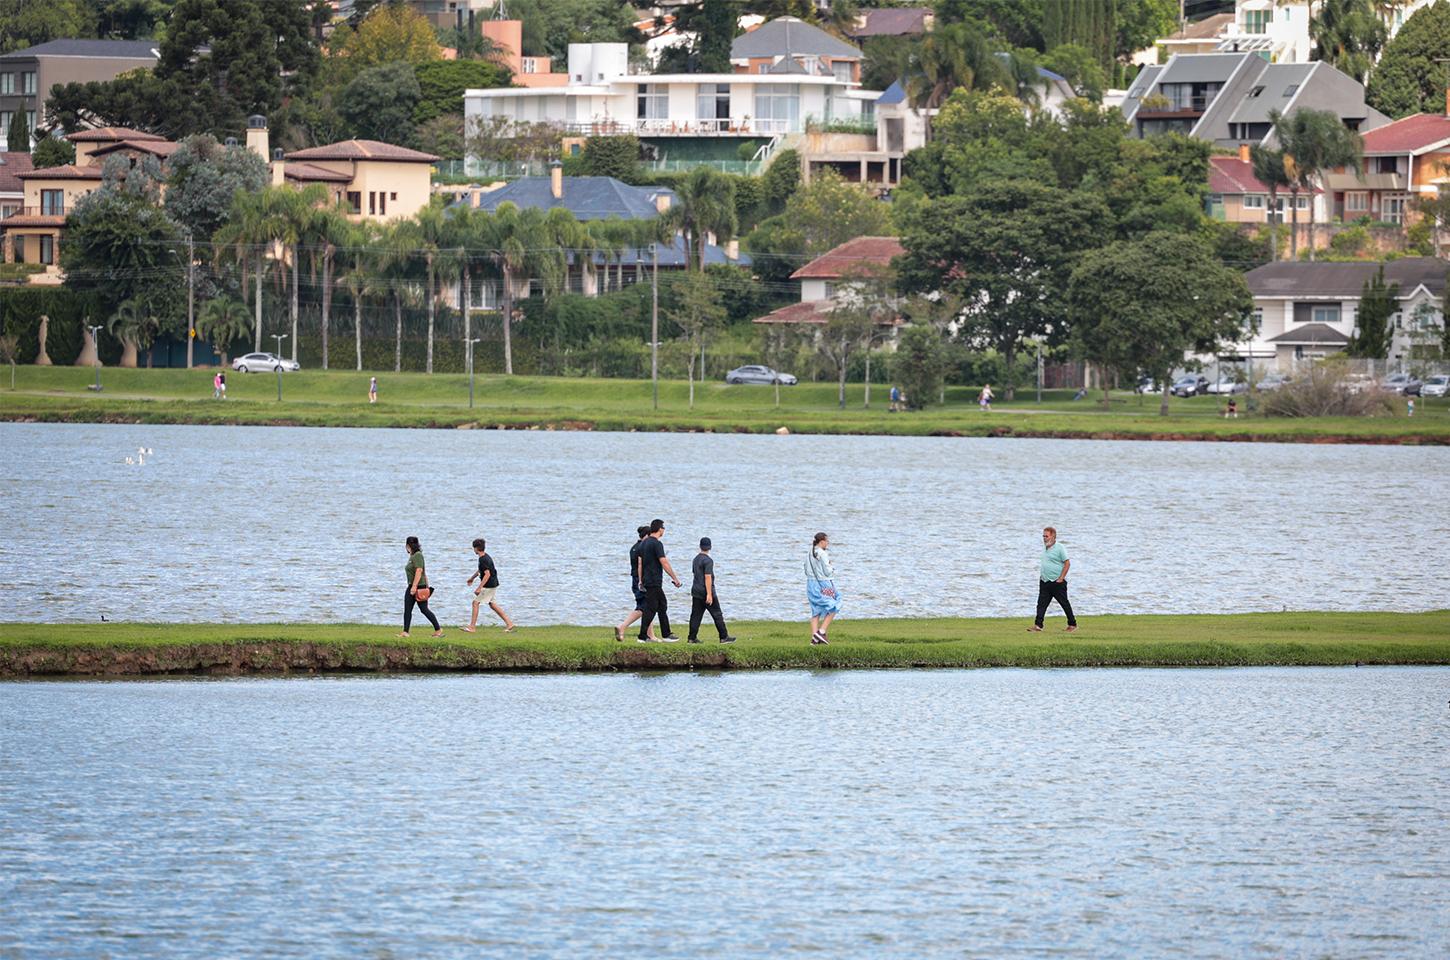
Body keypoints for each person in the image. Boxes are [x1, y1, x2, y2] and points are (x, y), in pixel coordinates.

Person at [637, 518, 681, 643]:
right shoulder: (657, 544)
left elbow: (640, 564)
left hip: (647, 580)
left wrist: (640, 580)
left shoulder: (643, 544)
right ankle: (645, 636)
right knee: (652, 608)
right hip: (654, 580)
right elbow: (664, 562)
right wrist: (674, 578)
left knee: (660, 606)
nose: (664, 530)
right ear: (660, 529)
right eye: (663, 528)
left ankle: (664, 634)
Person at [1029, 526, 1077, 633]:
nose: (1044, 538)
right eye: (1043, 536)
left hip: (1057, 582)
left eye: (1046, 536)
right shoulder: (1045, 548)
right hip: (1044, 581)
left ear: (1053, 536)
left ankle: (1072, 624)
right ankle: (1038, 625)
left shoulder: (1060, 548)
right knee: (1041, 604)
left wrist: (1061, 578)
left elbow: (1067, 563)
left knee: (1064, 603)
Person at [688, 537, 735, 644]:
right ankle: (724, 637)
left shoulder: (695, 559)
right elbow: (708, 577)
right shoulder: (708, 560)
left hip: (696, 590)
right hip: (706, 591)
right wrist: (709, 594)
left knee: (695, 615)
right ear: (710, 547)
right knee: (717, 614)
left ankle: (692, 638)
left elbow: (695, 574)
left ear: (700, 546)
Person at [464, 537, 515, 633]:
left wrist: (479, 588)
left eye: (473, 548)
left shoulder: (483, 559)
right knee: (492, 604)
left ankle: (472, 627)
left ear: (476, 548)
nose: (473, 550)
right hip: (493, 583)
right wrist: (472, 578)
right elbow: (481, 570)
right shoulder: (485, 557)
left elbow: (487, 574)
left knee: (475, 603)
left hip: (489, 585)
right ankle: (509, 623)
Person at [616, 525, 654, 642]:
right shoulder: (643, 548)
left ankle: (650, 635)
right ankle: (622, 626)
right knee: (643, 608)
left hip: (634, 579)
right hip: (641, 580)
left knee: (647, 607)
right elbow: (642, 565)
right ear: (647, 535)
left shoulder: (634, 547)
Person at [399, 535, 442, 638]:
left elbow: (419, 571)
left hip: (418, 587)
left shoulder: (418, 555)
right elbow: (423, 573)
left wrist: (415, 587)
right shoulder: (412, 556)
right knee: (408, 609)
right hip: (412, 585)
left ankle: (438, 629)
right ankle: (405, 632)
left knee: (424, 609)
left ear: (408, 545)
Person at [805, 532, 840, 645]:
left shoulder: (809, 552)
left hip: (811, 584)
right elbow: (827, 571)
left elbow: (805, 569)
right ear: (821, 542)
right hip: (823, 584)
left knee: (815, 611)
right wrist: (831, 567)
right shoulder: (823, 553)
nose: (828, 543)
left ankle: (814, 639)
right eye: (827, 541)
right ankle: (821, 632)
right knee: (835, 604)